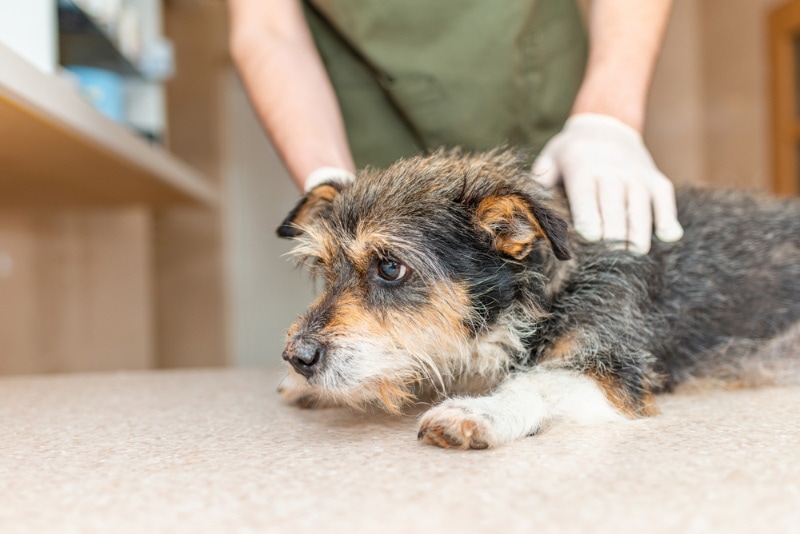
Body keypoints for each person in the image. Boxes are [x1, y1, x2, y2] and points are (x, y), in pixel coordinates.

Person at [228, 0, 684, 254]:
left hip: (532, 80)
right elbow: (268, 26)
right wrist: (324, 175)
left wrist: (607, 116)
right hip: (367, 99)